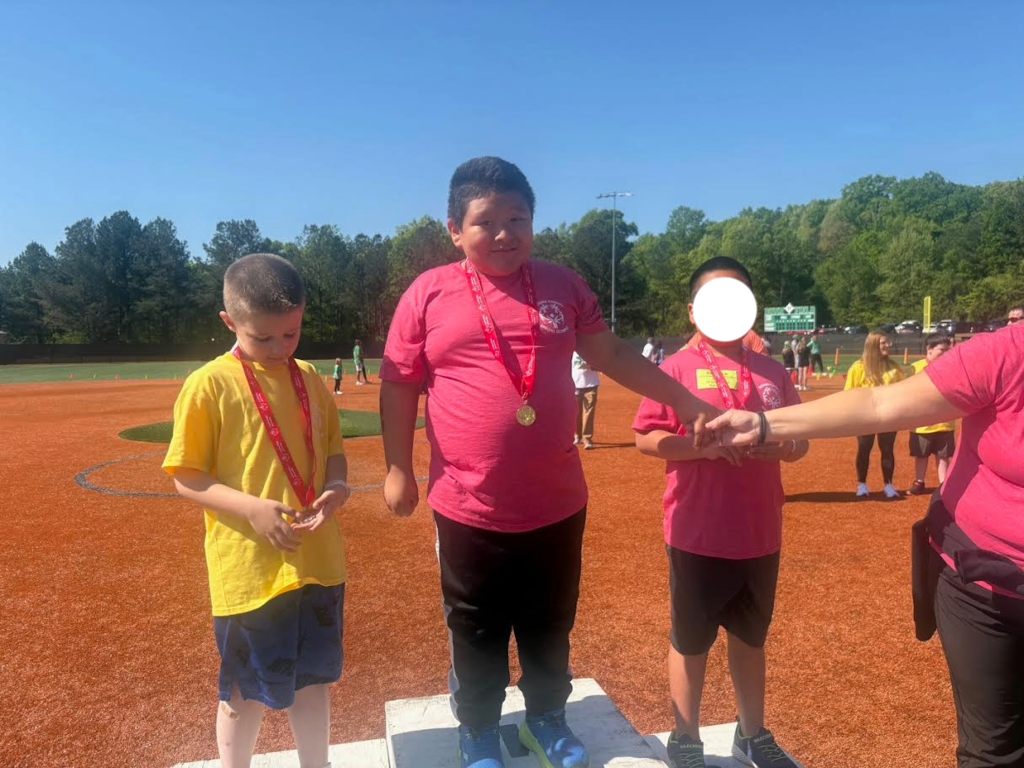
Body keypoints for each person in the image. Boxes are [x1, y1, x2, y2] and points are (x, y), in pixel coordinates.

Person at [379, 156, 714, 768]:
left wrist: (686, 400)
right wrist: (398, 466)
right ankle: (478, 728)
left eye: (519, 217)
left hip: (557, 500)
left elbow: (610, 352)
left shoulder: (563, 284)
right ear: (454, 229)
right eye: (487, 221)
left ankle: (545, 721)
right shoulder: (428, 293)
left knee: (550, 619)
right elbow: (399, 384)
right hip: (468, 502)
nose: (506, 232)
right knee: (475, 626)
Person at [707, 322, 1024, 768]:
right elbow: (879, 404)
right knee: (991, 750)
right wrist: (762, 423)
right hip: (976, 580)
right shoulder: (1009, 352)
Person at [163, 253, 350, 768]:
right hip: (249, 570)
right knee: (244, 691)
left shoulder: (311, 378)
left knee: (313, 680)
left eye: (289, 335)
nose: (278, 349)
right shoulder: (209, 384)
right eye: (261, 338)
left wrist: (337, 486)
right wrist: (251, 509)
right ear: (230, 323)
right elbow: (185, 477)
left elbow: (333, 450)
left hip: (317, 563)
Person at [634, 256, 809, 768]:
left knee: (751, 638)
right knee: (691, 641)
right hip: (697, 531)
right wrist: (702, 450)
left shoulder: (775, 372)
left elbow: (800, 441)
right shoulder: (675, 371)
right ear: (694, 311)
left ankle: (750, 734)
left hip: (759, 532)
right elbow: (647, 438)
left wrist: (785, 448)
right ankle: (685, 737)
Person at [844, 332, 905, 499]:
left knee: (887, 450)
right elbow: (849, 394)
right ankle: (862, 485)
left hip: (888, 417)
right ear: (873, 346)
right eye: (883, 343)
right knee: (864, 450)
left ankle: (889, 485)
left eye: (888, 342)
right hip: (865, 418)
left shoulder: (894, 368)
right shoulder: (858, 368)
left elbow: (902, 392)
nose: (888, 346)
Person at [907, 335, 956, 496]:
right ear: (929, 349)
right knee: (921, 455)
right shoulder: (915, 368)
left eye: (947, 350)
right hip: (922, 423)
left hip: (945, 421)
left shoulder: (952, 367)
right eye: (942, 350)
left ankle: (944, 484)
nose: (945, 353)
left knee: (943, 456)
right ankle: (919, 482)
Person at [571, 351, 599, 449]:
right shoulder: (572, 351)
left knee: (589, 413)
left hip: (591, 385)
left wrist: (591, 366)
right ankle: (577, 436)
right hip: (576, 385)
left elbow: (600, 367)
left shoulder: (593, 351)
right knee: (576, 412)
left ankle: (587, 439)